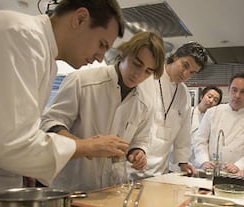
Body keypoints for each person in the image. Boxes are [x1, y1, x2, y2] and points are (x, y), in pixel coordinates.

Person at [0, 0, 127, 207]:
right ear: (79, 19)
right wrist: (86, 147)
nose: (100, 57)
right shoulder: (20, 34)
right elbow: (11, 146)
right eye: (101, 44)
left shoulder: (44, 56)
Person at [40, 31, 165, 191]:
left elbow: (139, 140)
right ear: (124, 54)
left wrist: (138, 152)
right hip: (72, 187)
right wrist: (86, 146)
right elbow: (50, 123)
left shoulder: (145, 103)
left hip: (111, 189)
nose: (139, 74)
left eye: (148, 71)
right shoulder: (82, 81)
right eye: (137, 64)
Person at [139, 42, 208, 177]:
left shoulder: (184, 94)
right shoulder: (147, 78)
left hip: (160, 169)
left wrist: (183, 161)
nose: (186, 74)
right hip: (134, 162)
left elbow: (184, 132)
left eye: (192, 72)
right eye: (185, 65)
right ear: (176, 57)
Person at [192, 73, 244, 175]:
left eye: (243, 92)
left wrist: (238, 166)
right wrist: (204, 161)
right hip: (210, 171)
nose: (237, 95)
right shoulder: (213, 112)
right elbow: (200, 140)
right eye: (234, 90)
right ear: (229, 90)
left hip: (235, 173)